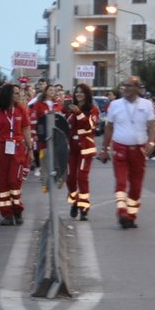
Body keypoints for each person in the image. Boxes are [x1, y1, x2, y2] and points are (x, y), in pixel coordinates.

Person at [98, 76, 155, 229]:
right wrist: (104, 149)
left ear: (137, 88)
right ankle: (121, 211)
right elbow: (109, 128)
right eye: (124, 86)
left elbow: (152, 126)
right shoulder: (115, 105)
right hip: (120, 149)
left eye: (129, 86)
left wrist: (151, 142)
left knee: (136, 185)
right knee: (121, 182)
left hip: (139, 150)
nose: (125, 88)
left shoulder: (147, 104)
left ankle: (131, 215)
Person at [0, 82, 32, 225]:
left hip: (17, 148)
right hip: (2, 149)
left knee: (14, 180)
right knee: (1, 183)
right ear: (8, 95)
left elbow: (26, 129)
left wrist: (30, 148)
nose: (19, 95)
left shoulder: (21, 110)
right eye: (16, 93)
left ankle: (17, 210)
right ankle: (7, 214)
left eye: (19, 93)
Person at [65, 82, 100, 220]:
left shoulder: (93, 109)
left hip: (85, 148)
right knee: (70, 179)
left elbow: (89, 126)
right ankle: (74, 201)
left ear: (87, 94)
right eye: (77, 92)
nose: (78, 94)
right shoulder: (70, 109)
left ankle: (84, 208)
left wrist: (78, 113)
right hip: (71, 149)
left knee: (82, 178)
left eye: (82, 92)